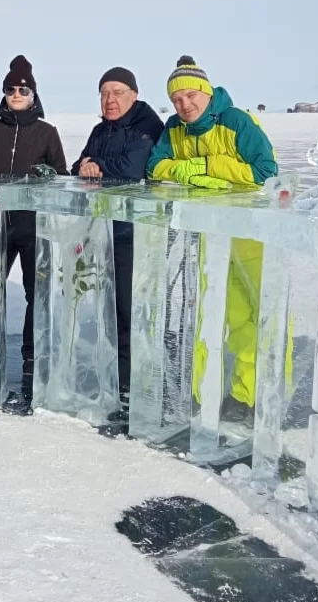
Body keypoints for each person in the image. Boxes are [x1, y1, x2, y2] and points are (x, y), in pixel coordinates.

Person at [147, 55, 278, 422]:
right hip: (207, 233)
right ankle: (197, 394)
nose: (184, 105)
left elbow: (266, 172)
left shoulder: (237, 121)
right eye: (176, 100)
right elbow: (155, 167)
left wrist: (209, 166)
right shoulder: (174, 128)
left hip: (250, 231)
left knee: (254, 313)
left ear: (206, 92)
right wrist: (184, 171)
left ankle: (250, 397)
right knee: (202, 312)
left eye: (190, 96)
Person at [71, 67, 164, 407]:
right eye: (104, 93)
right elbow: (76, 166)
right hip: (102, 229)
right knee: (108, 311)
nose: (110, 100)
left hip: (134, 232)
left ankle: (132, 390)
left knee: (129, 311)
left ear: (134, 95)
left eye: (118, 92)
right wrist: (86, 164)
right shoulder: (100, 130)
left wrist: (96, 164)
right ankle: (114, 380)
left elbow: (134, 168)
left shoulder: (149, 126)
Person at [0, 55, 67, 413]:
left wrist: (50, 172)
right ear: (4, 94)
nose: (17, 94)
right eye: (11, 89)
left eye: (23, 89)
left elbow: (62, 172)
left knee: (37, 292)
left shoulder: (47, 132)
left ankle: (32, 357)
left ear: (33, 94)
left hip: (33, 224)